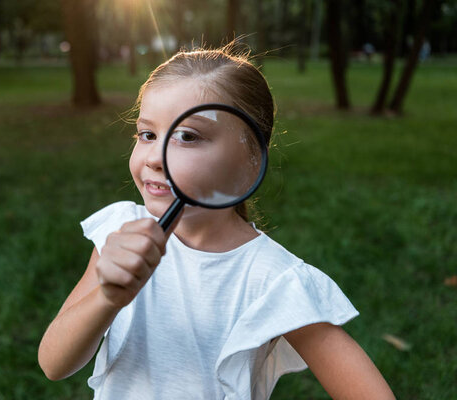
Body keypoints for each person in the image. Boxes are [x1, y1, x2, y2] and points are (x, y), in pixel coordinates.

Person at [38, 45, 396, 400]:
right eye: (147, 134)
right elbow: (54, 364)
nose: (154, 158)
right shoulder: (121, 232)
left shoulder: (274, 281)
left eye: (188, 136)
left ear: (250, 159)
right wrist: (107, 296)